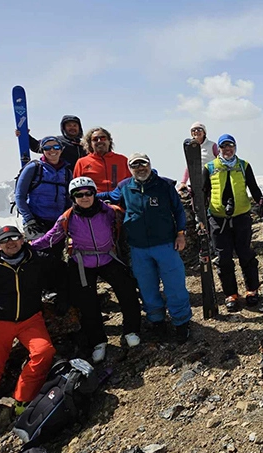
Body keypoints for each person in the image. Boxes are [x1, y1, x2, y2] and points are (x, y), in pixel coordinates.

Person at [31, 177, 142, 363]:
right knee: (87, 304)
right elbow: (51, 238)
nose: (84, 197)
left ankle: (131, 330)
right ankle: (98, 341)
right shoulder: (67, 218)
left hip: (108, 257)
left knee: (127, 292)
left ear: (94, 193)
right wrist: (28, 247)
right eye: (78, 194)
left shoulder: (110, 212)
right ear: (72, 197)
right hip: (82, 263)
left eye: (88, 193)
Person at [0, 226, 58, 445]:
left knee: (44, 352)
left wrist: (64, 294)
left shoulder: (35, 259)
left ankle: (23, 399)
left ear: (22, 239)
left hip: (30, 320)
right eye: (5, 240)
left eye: (14, 238)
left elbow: (59, 271)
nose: (11, 243)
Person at [104, 153, 193, 343]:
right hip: (139, 248)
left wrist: (181, 234)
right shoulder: (124, 187)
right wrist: (82, 193)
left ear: (150, 164)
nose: (140, 168)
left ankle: (181, 323)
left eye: (143, 164)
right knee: (147, 287)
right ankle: (157, 322)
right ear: (130, 168)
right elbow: (106, 197)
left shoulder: (164, 185)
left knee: (175, 286)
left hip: (166, 245)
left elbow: (178, 211)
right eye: (135, 165)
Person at [203, 134, 263, 311]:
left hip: (241, 217)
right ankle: (231, 294)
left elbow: (253, 188)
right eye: (224, 147)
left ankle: (252, 291)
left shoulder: (244, 165)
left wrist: (260, 200)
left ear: (235, 147)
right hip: (217, 218)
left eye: (230, 146)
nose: (227, 149)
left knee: (245, 254)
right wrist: (199, 216)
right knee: (223, 258)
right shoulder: (209, 167)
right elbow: (203, 193)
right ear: (219, 149)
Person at [14, 135, 72, 244]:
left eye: (56, 147)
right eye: (47, 148)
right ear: (42, 150)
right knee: (40, 255)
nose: (52, 150)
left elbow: (69, 199)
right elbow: (19, 196)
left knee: (56, 256)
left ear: (61, 149)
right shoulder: (33, 168)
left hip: (58, 222)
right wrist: (30, 219)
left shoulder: (67, 172)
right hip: (36, 221)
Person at [17, 115, 86, 170]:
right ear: (64, 128)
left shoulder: (85, 144)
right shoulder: (58, 141)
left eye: (75, 125)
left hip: (82, 180)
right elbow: (36, 147)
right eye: (69, 125)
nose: (72, 128)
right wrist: (25, 135)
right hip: (63, 179)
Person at [73, 127, 130, 193]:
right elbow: (76, 188)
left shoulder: (122, 160)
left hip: (119, 200)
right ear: (90, 144)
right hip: (94, 201)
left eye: (103, 138)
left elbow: (130, 183)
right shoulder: (82, 162)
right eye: (95, 139)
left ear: (109, 141)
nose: (99, 141)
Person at [178, 122, 218, 191]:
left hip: (211, 181)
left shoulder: (212, 145)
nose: (196, 131)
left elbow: (220, 160)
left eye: (199, 129)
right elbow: (189, 166)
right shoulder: (190, 148)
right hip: (195, 182)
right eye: (193, 130)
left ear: (204, 132)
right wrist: (183, 182)